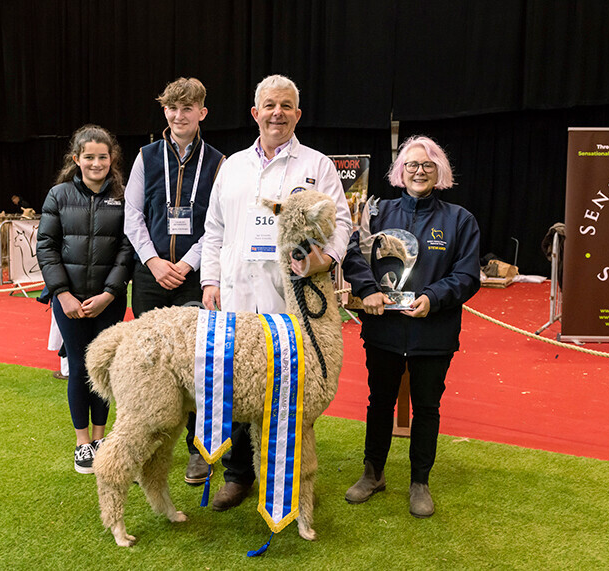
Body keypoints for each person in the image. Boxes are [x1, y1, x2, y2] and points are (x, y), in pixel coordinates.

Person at [201, 74, 352, 511]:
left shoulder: (318, 165)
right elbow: (213, 231)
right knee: (238, 384)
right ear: (255, 113)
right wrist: (210, 281)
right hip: (235, 295)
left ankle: (286, 479)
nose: (277, 113)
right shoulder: (231, 168)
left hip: (291, 301)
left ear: (298, 115)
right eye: (269, 105)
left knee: (286, 390)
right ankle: (238, 475)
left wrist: (324, 260)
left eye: (286, 106)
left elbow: (341, 223)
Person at [341, 135, 480, 517]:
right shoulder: (377, 212)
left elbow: (467, 275)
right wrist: (367, 289)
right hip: (383, 329)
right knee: (379, 401)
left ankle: (420, 481)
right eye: (412, 165)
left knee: (427, 407)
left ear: (440, 173)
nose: (419, 172)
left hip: (433, 332)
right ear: (400, 172)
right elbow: (353, 254)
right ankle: (373, 473)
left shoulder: (459, 220)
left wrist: (433, 298)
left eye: (427, 166)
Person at [124, 77, 225, 486]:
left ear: (202, 112)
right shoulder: (146, 157)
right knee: (152, 366)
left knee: (198, 367)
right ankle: (146, 445)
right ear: (164, 111)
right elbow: (132, 215)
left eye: (188, 108)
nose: (179, 115)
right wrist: (153, 261)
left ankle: (198, 452)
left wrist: (185, 264)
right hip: (150, 277)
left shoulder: (220, 162)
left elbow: (218, 224)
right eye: (172, 108)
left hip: (195, 279)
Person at [37, 124, 134, 474]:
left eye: (103, 157)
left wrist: (110, 294)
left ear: (112, 159)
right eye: (89, 157)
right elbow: (46, 247)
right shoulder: (59, 195)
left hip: (109, 302)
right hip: (69, 303)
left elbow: (127, 249)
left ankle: (100, 437)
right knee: (79, 367)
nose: (96, 163)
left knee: (104, 369)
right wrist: (62, 294)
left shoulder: (123, 197)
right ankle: (82, 444)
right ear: (76, 159)